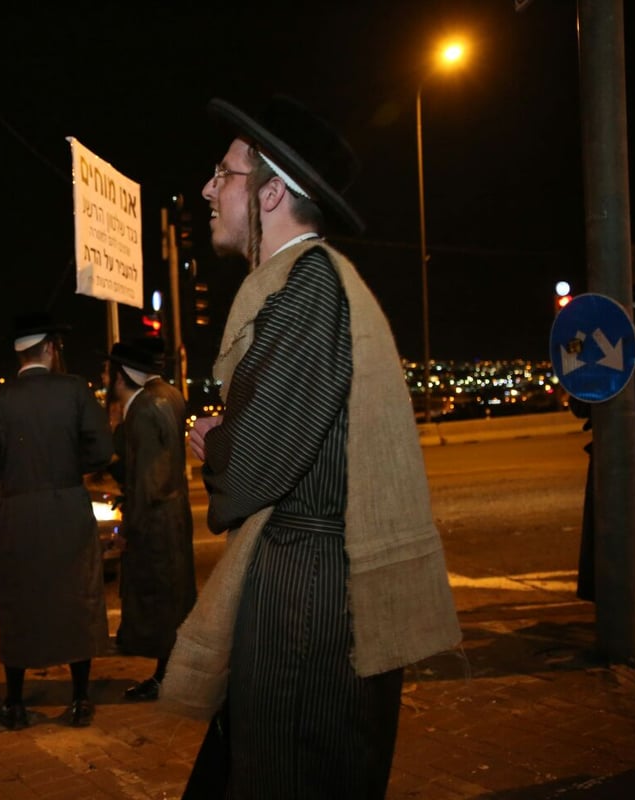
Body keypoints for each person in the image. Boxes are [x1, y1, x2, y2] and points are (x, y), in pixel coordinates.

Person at [162, 96, 461, 798]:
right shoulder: (305, 286)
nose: (209, 190)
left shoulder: (310, 286)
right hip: (308, 581)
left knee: (291, 772)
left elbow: (259, 465)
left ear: (271, 193)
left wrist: (222, 447)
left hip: (306, 598)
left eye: (224, 174)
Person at [0, 312, 114, 729]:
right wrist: (68, 467)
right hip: (67, 507)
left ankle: (15, 701)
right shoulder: (74, 390)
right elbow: (101, 448)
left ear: (19, 355)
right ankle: (81, 698)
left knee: (19, 602)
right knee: (77, 598)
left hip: (18, 512)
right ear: (51, 348)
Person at [573, 289, 635, 651]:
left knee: (620, 539)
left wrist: (582, 358)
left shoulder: (626, 362)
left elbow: (581, 406)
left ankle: (632, 622)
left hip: (619, 462)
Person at [106, 339, 196, 701]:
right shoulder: (170, 395)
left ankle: (165, 679)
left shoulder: (144, 407)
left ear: (121, 374)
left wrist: (128, 530)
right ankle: (169, 674)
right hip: (174, 515)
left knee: (158, 602)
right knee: (173, 599)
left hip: (155, 521)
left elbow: (147, 478)